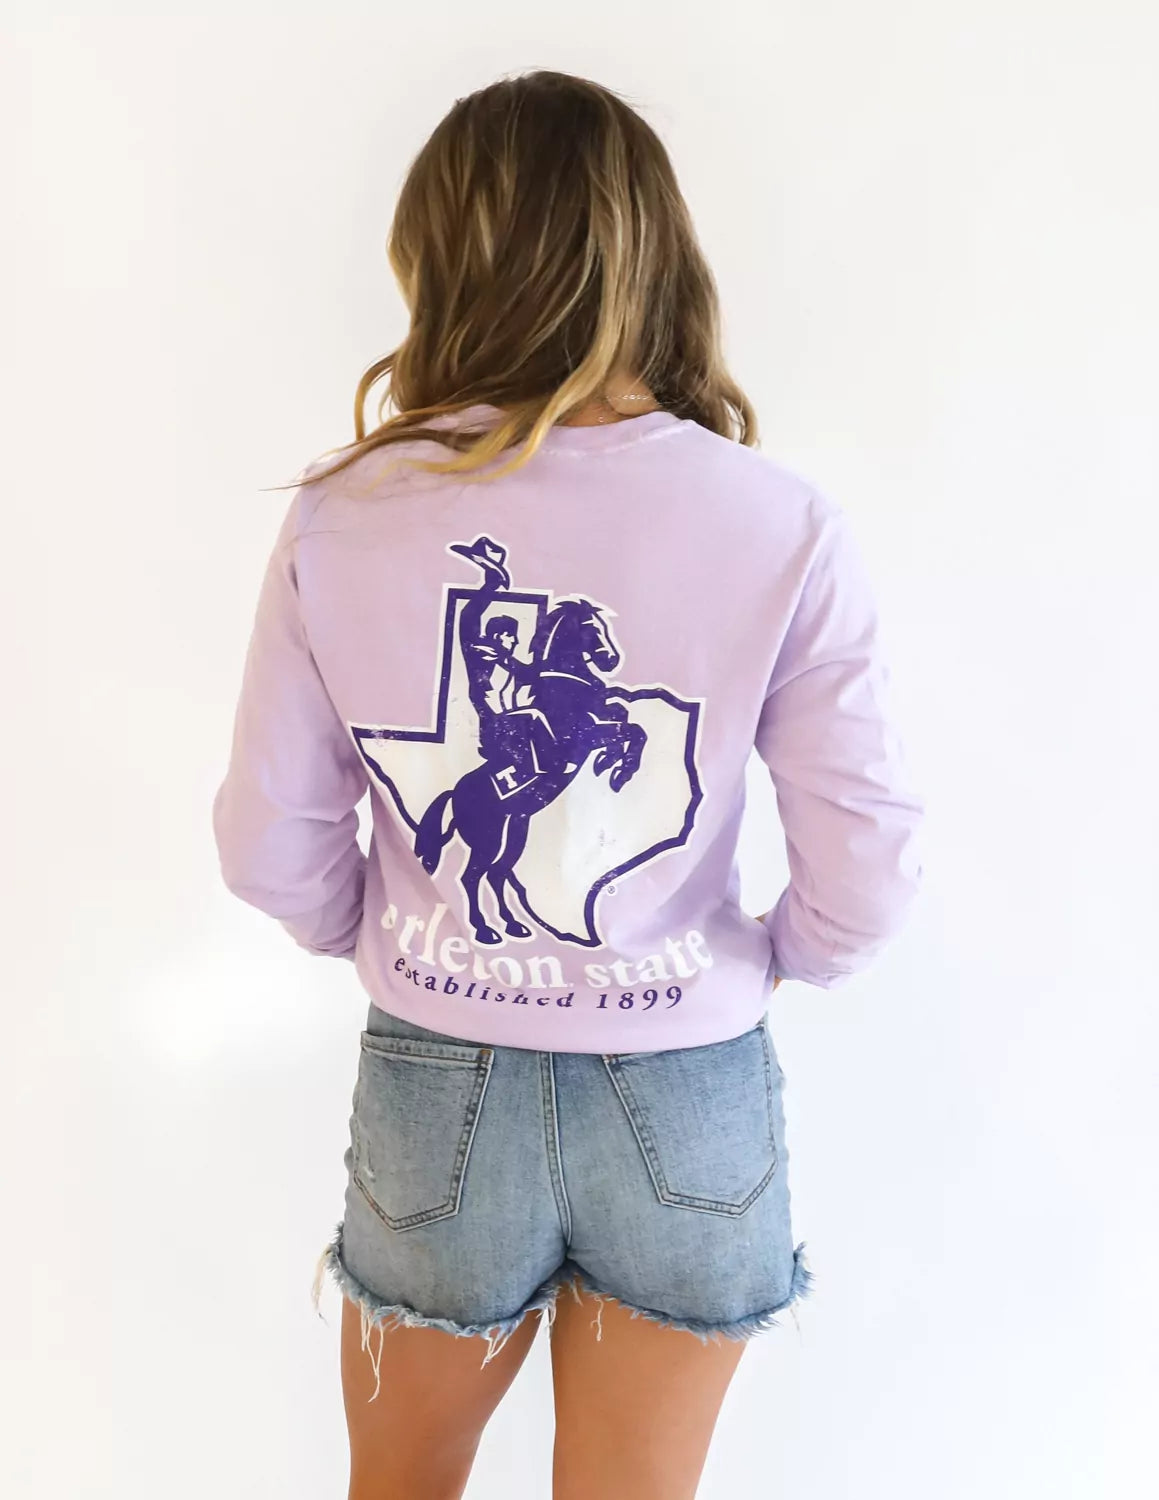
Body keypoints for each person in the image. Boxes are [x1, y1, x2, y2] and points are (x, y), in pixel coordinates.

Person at [212, 69, 923, 1500]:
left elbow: (267, 840)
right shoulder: (779, 521)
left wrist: (390, 938)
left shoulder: (348, 513)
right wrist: (766, 961)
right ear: (655, 256)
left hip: (439, 1076)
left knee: (399, 1484)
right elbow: (867, 867)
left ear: (438, 262)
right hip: (689, 1080)